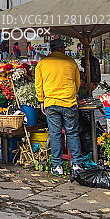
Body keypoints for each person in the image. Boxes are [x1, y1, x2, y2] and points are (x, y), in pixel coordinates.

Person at [35, 37, 83, 175]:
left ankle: (57, 166)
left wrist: (41, 100)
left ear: (51, 49)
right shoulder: (71, 62)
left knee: (55, 134)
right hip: (69, 102)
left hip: (51, 103)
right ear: (62, 48)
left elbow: (38, 85)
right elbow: (77, 83)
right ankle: (77, 164)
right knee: (72, 132)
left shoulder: (42, 63)